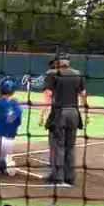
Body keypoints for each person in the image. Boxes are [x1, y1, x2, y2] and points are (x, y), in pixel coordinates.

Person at [41, 53, 88, 187]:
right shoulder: (78, 74)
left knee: (58, 145)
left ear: (58, 62)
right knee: (70, 146)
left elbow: (48, 95)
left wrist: (43, 113)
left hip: (59, 113)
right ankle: (70, 177)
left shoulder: (53, 74)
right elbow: (83, 94)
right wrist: (86, 113)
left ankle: (57, 177)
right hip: (74, 113)